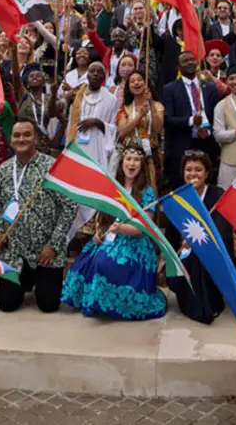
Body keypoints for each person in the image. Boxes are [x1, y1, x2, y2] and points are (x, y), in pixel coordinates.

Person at [62, 145, 166, 320]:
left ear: (142, 165)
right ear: (122, 162)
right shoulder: (112, 186)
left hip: (134, 242)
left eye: (136, 160)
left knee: (107, 263)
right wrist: (97, 233)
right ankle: (93, 300)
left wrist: (121, 228)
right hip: (110, 236)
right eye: (128, 159)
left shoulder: (146, 192)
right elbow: (102, 218)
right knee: (85, 263)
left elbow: (143, 229)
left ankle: (109, 303)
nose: (131, 164)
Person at [0, 120, 78, 313]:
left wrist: (53, 245)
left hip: (46, 252)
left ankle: (37, 279)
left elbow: (69, 207)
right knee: (6, 304)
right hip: (15, 251)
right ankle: (24, 279)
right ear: (11, 139)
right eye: (17, 135)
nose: (21, 139)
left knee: (49, 306)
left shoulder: (52, 168)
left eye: (27, 134)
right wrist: (0, 234)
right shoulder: (3, 170)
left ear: (36, 138)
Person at [166, 150, 234, 323]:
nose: (193, 174)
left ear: (207, 173)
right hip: (184, 253)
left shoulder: (217, 195)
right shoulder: (177, 198)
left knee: (200, 259)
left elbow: (223, 231)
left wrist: (200, 243)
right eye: (189, 169)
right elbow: (171, 235)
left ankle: (207, 306)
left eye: (198, 169)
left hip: (212, 252)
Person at [65, 62, 120, 237]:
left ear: (104, 77)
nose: (95, 74)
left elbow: (115, 128)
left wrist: (97, 123)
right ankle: (74, 229)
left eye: (100, 72)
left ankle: (91, 227)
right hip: (78, 147)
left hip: (98, 149)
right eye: (92, 71)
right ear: (87, 75)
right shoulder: (78, 95)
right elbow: (69, 121)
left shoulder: (111, 100)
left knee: (93, 185)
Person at [163, 51, 221, 192]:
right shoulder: (169, 89)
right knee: (184, 189)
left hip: (206, 145)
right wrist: (190, 121)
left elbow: (217, 117)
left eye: (192, 60)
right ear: (178, 66)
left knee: (206, 187)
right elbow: (168, 119)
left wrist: (208, 130)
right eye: (185, 61)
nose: (190, 63)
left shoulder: (210, 88)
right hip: (183, 146)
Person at [116, 71, 166, 188]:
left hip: (151, 154)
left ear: (146, 83)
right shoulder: (124, 109)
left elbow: (158, 128)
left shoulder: (158, 106)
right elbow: (122, 132)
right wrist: (139, 115)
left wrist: (151, 105)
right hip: (130, 154)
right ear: (128, 87)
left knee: (151, 186)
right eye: (132, 81)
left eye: (139, 80)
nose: (136, 83)